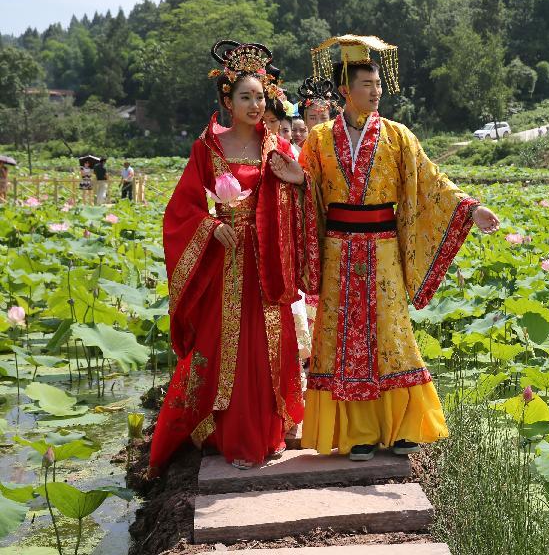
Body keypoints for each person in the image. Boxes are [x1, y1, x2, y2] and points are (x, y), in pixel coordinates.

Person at [299, 35, 500, 461]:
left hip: (383, 249)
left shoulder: (397, 136)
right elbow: (308, 190)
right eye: (366, 84)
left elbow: (431, 181)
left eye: (377, 84)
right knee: (341, 336)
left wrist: (471, 208)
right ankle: (357, 433)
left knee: (390, 333)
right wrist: (292, 179)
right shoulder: (317, 139)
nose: (375, 91)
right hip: (338, 248)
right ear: (344, 91)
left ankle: (405, 426)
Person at [148, 40, 314, 475]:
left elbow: (304, 197)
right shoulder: (208, 147)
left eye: (260, 96)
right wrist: (210, 226)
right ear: (227, 100)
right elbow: (181, 209)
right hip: (224, 262)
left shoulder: (276, 146)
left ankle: (267, 431)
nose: (255, 104)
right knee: (223, 345)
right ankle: (225, 433)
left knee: (267, 346)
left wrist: (298, 184)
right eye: (245, 97)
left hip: (266, 263)